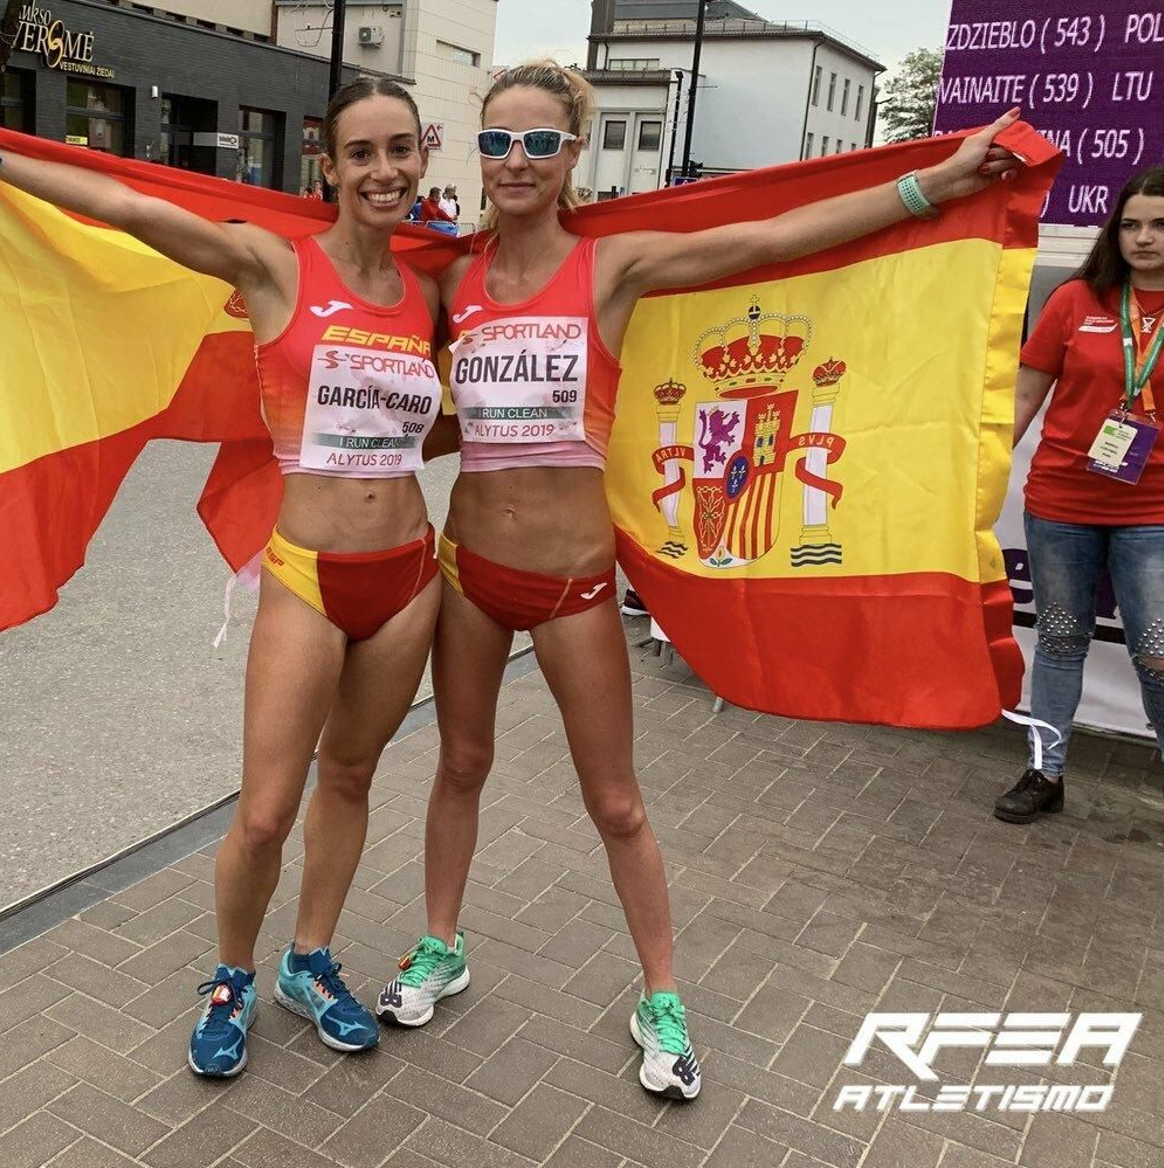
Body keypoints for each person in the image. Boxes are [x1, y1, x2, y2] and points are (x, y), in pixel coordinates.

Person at [376, 60, 1020, 1100]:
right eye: (497, 142)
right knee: (457, 767)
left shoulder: (612, 265)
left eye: (540, 142)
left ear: (572, 154)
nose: (516, 162)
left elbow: (767, 241)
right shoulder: (453, 281)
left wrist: (930, 188)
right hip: (469, 574)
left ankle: (661, 994)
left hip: (573, 583)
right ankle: (440, 945)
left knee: (617, 801)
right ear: (476, 153)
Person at [0, 76, 448, 1079]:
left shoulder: (430, 292)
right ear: (327, 167)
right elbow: (130, 209)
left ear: (423, 155)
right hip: (309, 578)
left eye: (399, 150)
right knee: (267, 808)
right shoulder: (273, 264)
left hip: (410, 576)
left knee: (353, 777)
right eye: (360, 153)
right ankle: (231, 973)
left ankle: (309, 961)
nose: (383, 171)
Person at [995, 165, 1164, 852]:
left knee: (1160, 652)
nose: (1144, 238)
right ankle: (1046, 769)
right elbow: (1023, 397)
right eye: (1131, 224)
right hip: (1063, 500)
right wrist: (969, 474)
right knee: (1060, 640)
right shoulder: (1074, 300)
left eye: (1162, 225)